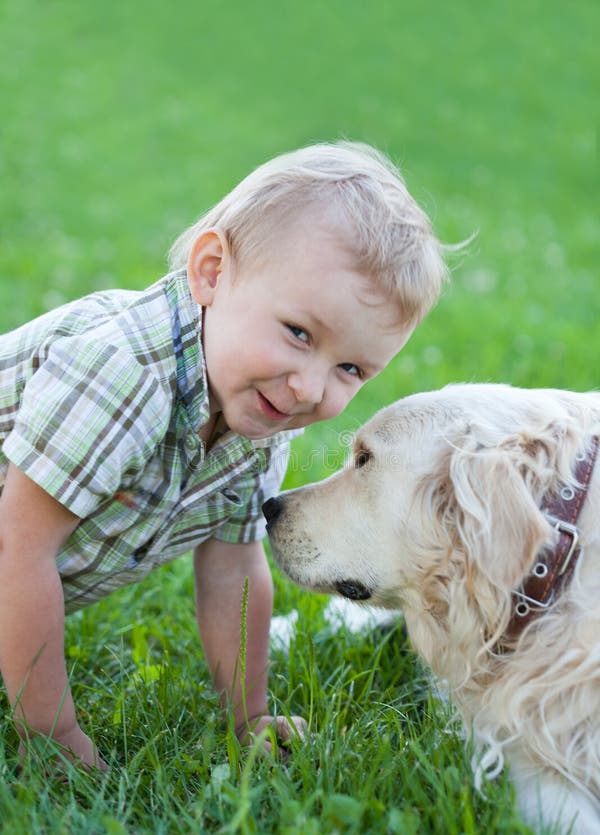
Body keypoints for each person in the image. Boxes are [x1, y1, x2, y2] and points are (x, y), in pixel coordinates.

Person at [0, 141, 449, 770]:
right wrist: (51, 733)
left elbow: (233, 567)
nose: (309, 389)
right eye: (298, 333)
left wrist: (250, 716)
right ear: (211, 272)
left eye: (350, 368)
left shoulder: (258, 415)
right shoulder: (121, 374)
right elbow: (17, 548)